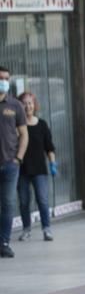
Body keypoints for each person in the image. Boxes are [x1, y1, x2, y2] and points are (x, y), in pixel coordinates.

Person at [15, 93, 56, 242]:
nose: (28, 106)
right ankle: (26, 229)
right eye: (24, 103)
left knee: (43, 200)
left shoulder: (42, 124)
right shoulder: (17, 125)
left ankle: (47, 229)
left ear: (35, 105)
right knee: (24, 201)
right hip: (21, 170)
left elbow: (49, 148)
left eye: (30, 103)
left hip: (39, 169)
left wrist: (52, 164)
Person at [0, 68, 27, 259]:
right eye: (1, 78)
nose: (4, 81)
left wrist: (18, 158)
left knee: (8, 204)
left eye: (6, 79)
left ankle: (4, 242)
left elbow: (24, 134)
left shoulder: (15, 105)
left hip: (10, 163)